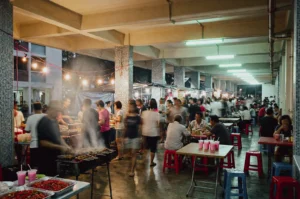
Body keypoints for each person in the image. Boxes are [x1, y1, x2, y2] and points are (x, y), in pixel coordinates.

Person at [36, 101, 72, 176]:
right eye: (57, 111)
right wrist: (60, 147)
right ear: (51, 109)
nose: (58, 113)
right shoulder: (44, 121)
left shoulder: (54, 121)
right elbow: (42, 142)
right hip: (46, 159)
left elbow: (58, 137)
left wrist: (66, 146)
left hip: (56, 158)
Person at [24, 102, 46, 168]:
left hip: (34, 144)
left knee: (34, 165)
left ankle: (34, 177)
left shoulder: (30, 118)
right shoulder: (46, 116)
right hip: (45, 144)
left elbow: (27, 130)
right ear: (41, 108)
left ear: (33, 109)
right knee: (43, 164)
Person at [124, 101, 142, 177]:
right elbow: (125, 127)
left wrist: (141, 138)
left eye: (131, 106)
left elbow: (140, 128)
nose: (130, 108)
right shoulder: (127, 116)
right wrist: (124, 137)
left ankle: (132, 171)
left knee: (134, 154)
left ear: (134, 107)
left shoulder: (138, 117)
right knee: (129, 154)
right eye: (129, 106)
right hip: (128, 137)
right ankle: (131, 166)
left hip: (135, 137)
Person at [141, 98, 160, 167]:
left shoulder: (144, 112)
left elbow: (142, 122)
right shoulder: (157, 114)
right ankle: (151, 162)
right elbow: (158, 124)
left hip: (145, 132)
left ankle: (144, 160)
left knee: (146, 147)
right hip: (153, 133)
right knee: (153, 148)